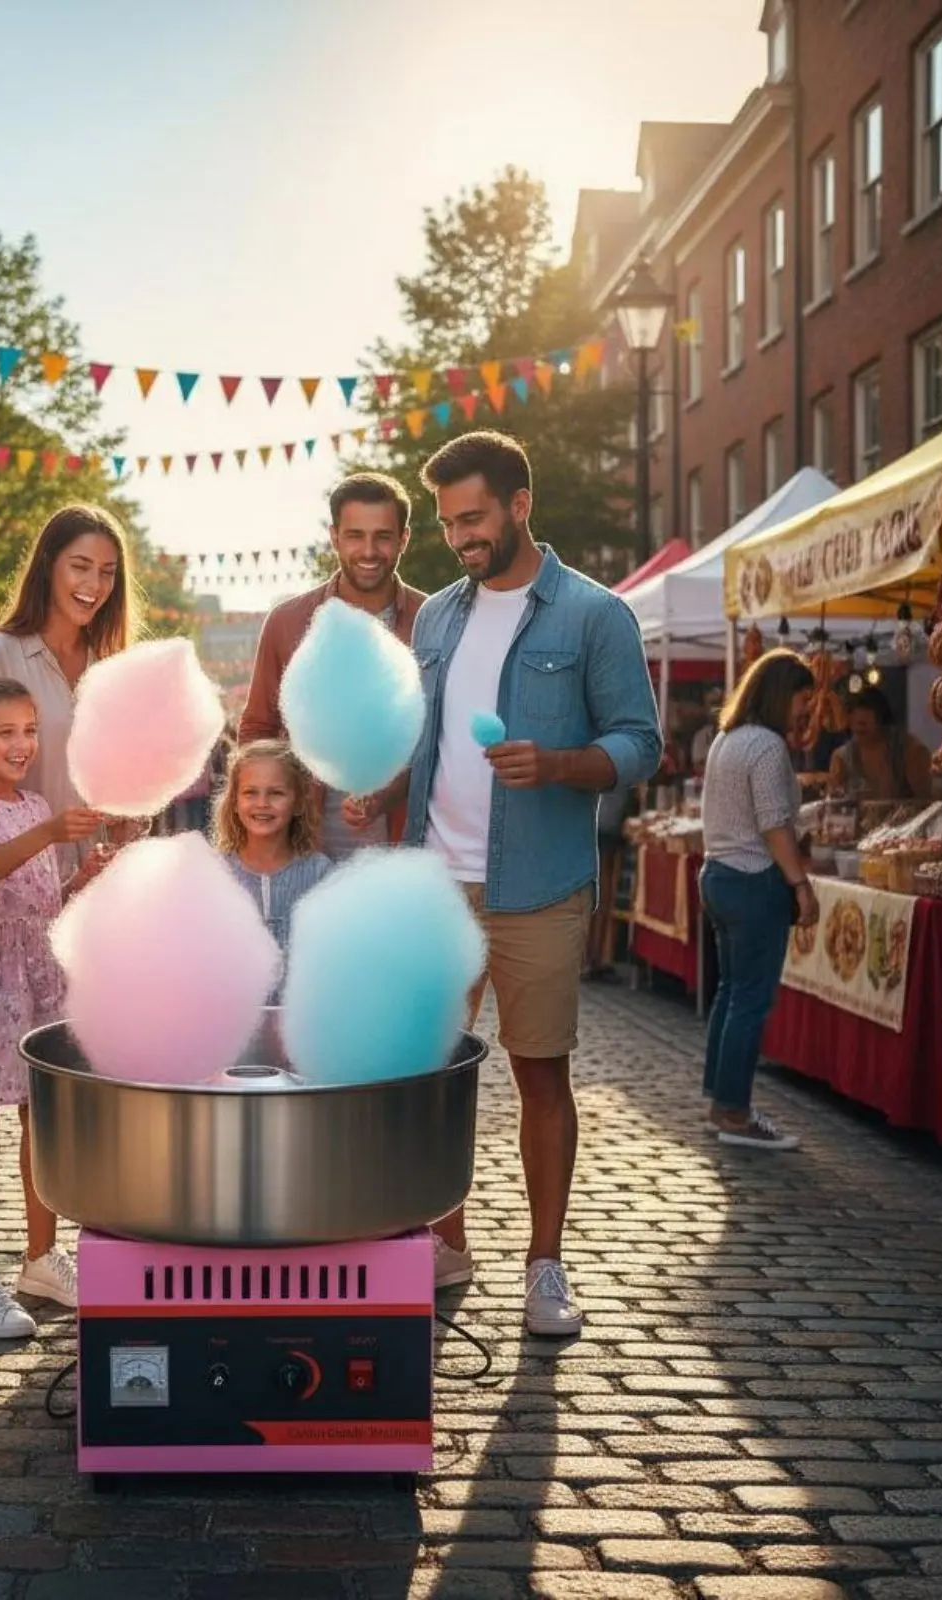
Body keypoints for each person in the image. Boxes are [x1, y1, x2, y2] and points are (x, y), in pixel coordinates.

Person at [345, 431, 661, 1336]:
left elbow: (641, 742)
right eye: (447, 523)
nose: (460, 538)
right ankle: (445, 1242)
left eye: (473, 518)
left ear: (520, 505)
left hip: (539, 885)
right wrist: (388, 787)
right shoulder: (438, 615)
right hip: (434, 881)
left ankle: (546, 1264)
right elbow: (425, 733)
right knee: (431, 1074)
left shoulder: (595, 615)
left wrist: (560, 763)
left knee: (539, 1073)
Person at [0, 676, 109, 1337]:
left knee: (44, 1123)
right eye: (6, 732)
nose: (22, 744)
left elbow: (39, 901)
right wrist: (47, 833)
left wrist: (79, 881)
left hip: (41, 978)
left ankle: (41, 1257)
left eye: (30, 730)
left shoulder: (36, 803)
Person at [240, 473, 428, 857]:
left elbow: (443, 740)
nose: (369, 551)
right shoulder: (288, 622)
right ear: (335, 537)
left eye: (383, 536)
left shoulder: (433, 620)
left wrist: (387, 793)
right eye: (355, 535)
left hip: (404, 849)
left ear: (404, 539)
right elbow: (258, 729)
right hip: (306, 850)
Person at [0, 504, 138, 875]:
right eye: (80, 566)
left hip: (98, 883)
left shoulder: (116, 669)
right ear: (49, 565)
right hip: (12, 885)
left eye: (107, 573)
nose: (94, 585)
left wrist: (129, 818)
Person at [700, 649, 820, 1151]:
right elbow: (773, 823)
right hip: (753, 881)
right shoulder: (767, 746)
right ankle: (734, 1112)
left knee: (732, 994)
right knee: (749, 998)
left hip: (720, 875)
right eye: (802, 698)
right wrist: (801, 885)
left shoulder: (728, 740)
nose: (806, 710)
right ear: (779, 693)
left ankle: (722, 1101)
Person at [214, 739, 332, 958]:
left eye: (276, 793)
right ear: (234, 803)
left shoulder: (319, 873)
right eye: (250, 793)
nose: (262, 803)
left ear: (298, 804)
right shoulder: (217, 872)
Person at [828, 685, 931, 802]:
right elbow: (833, 804)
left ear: (881, 719)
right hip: (858, 819)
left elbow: (926, 802)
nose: (860, 727)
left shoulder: (909, 750)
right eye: (856, 724)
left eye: (865, 723)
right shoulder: (842, 758)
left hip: (905, 818)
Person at [583, 777, 632, 983]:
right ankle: (592, 958)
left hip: (603, 825)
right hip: (605, 826)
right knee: (600, 895)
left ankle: (596, 957)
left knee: (601, 895)